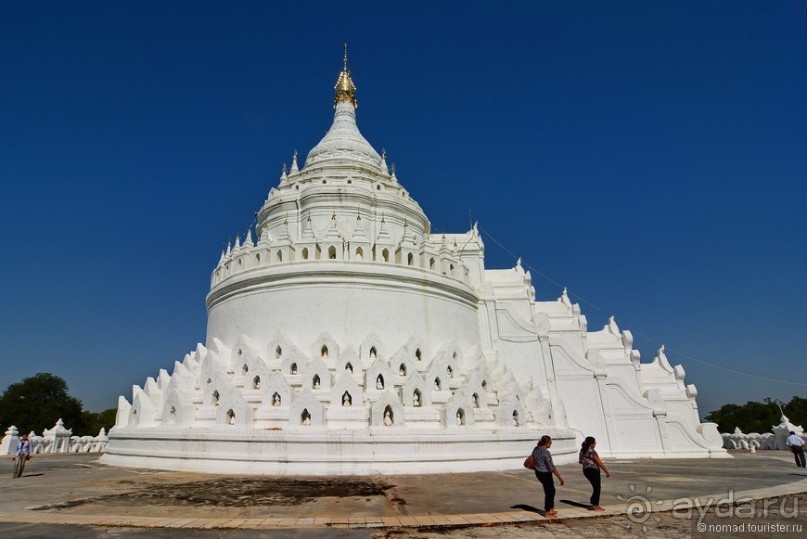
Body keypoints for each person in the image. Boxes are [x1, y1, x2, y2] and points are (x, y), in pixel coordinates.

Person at [532, 434, 564, 517]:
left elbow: (533, 460)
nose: (551, 444)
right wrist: (559, 477)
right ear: (547, 443)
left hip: (538, 472)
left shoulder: (536, 449)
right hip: (545, 473)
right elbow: (551, 466)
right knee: (550, 491)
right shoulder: (546, 452)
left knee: (550, 490)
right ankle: (547, 511)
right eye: (550, 443)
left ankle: (551, 508)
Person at [579, 436, 610, 510]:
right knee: (597, 487)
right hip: (593, 470)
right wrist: (606, 471)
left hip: (586, 470)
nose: (595, 444)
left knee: (595, 486)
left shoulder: (582, 451)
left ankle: (593, 500)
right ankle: (595, 504)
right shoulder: (592, 452)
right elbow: (599, 462)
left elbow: (580, 461)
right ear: (591, 444)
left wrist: (587, 463)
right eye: (594, 443)